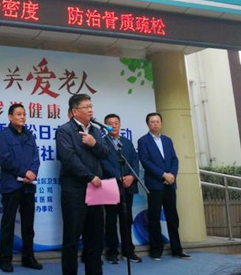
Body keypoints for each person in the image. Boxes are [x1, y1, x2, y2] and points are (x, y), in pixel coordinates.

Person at [56, 94, 110, 275]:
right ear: (74, 111)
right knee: (72, 237)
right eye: (86, 107)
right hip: (74, 190)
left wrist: (94, 144)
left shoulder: (95, 130)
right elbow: (69, 158)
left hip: (96, 189)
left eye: (91, 106)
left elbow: (105, 153)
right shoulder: (64, 130)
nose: (90, 110)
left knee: (95, 236)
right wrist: (89, 176)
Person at [0, 103, 43, 273]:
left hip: (29, 186)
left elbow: (36, 158)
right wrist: (24, 172)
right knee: (8, 223)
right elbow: (4, 159)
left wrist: (33, 173)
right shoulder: (4, 135)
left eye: (24, 114)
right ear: (10, 117)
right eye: (18, 114)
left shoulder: (30, 135)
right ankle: (5, 259)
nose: (22, 117)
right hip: (12, 185)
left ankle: (28, 258)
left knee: (28, 225)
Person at [137, 112, 191, 261]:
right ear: (148, 124)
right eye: (152, 122)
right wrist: (163, 175)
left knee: (173, 217)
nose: (155, 124)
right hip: (155, 185)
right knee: (154, 218)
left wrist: (172, 175)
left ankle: (177, 249)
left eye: (158, 121)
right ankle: (156, 250)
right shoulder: (143, 141)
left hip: (170, 184)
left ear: (161, 123)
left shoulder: (167, 140)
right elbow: (145, 162)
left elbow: (174, 160)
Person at [101, 113, 142, 264]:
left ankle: (128, 250)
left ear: (120, 125)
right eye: (110, 124)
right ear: (105, 127)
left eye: (116, 123)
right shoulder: (102, 143)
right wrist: (119, 176)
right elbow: (103, 163)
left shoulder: (127, 142)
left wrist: (132, 177)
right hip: (111, 184)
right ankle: (112, 251)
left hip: (128, 186)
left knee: (126, 219)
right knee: (111, 220)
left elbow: (135, 161)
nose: (113, 126)